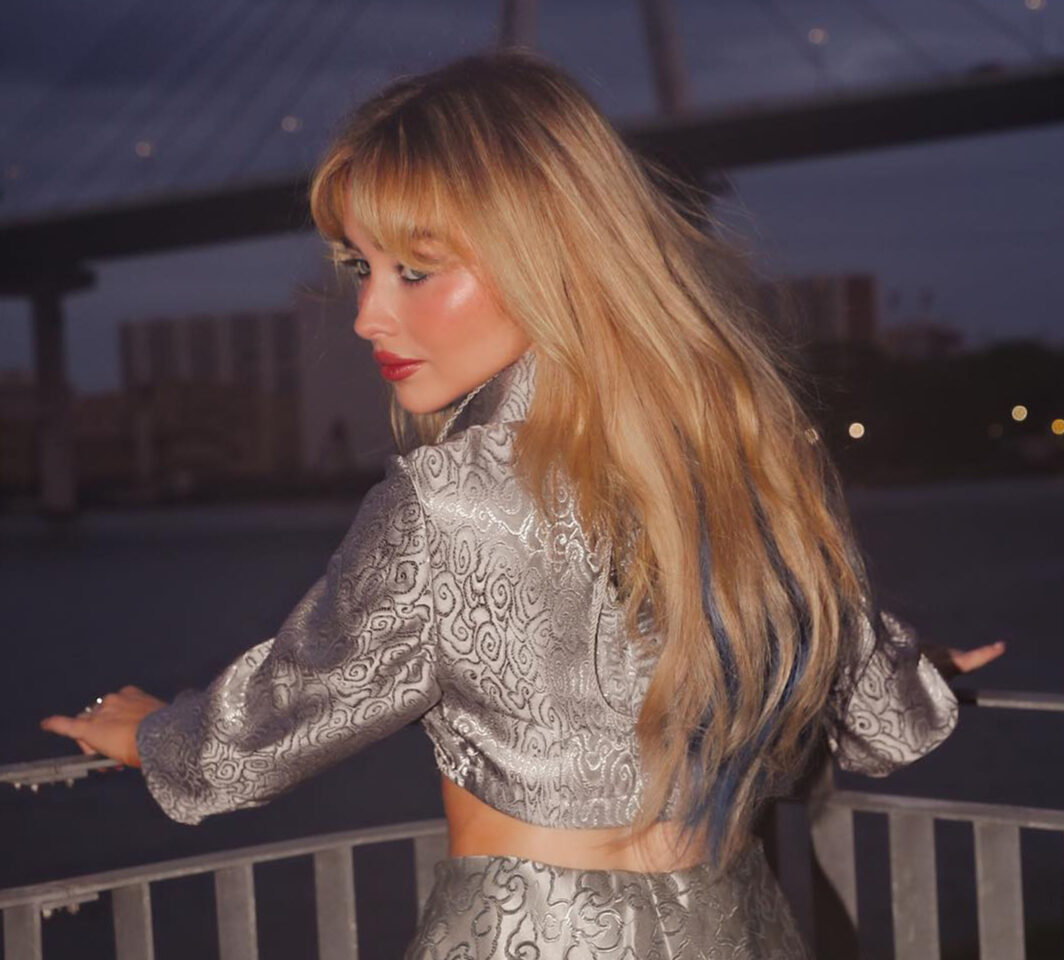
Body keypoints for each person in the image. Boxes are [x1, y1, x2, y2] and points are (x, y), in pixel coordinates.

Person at [40, 49, 1006, 959]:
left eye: (415, 271)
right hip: (735, 925)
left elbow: (271, 724)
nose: (370, 315)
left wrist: (151, 735)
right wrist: (918, 667)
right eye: (360, 267)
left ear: (549, 256)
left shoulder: (450, 500)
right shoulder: (740, 452)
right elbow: (881, 714)